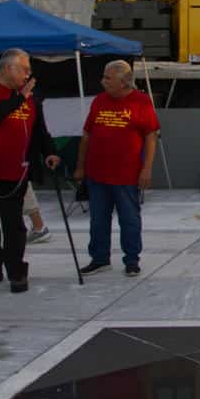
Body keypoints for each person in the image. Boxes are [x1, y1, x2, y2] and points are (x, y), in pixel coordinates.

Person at [0, 49, 59, 292]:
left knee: (14, 224)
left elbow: (40, 130)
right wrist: (19, 98)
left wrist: (49, 151)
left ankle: (17, 272)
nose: (28, 74)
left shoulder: (31, 98)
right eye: (24, 69)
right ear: (8, 69)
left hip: (16, 173)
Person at [76, 58, 161, 275]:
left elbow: (151, 137)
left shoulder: (141, 102)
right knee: (98, 220)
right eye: (104, 77)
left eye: (108, 78)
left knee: (130, 219)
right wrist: (80, 167)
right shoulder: (98, 101)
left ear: (124, 82)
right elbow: (87, 135)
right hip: (97, 174)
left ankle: (131, 259)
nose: (103, 81)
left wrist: (147, 169)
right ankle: (99, 258)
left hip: (127, 174)